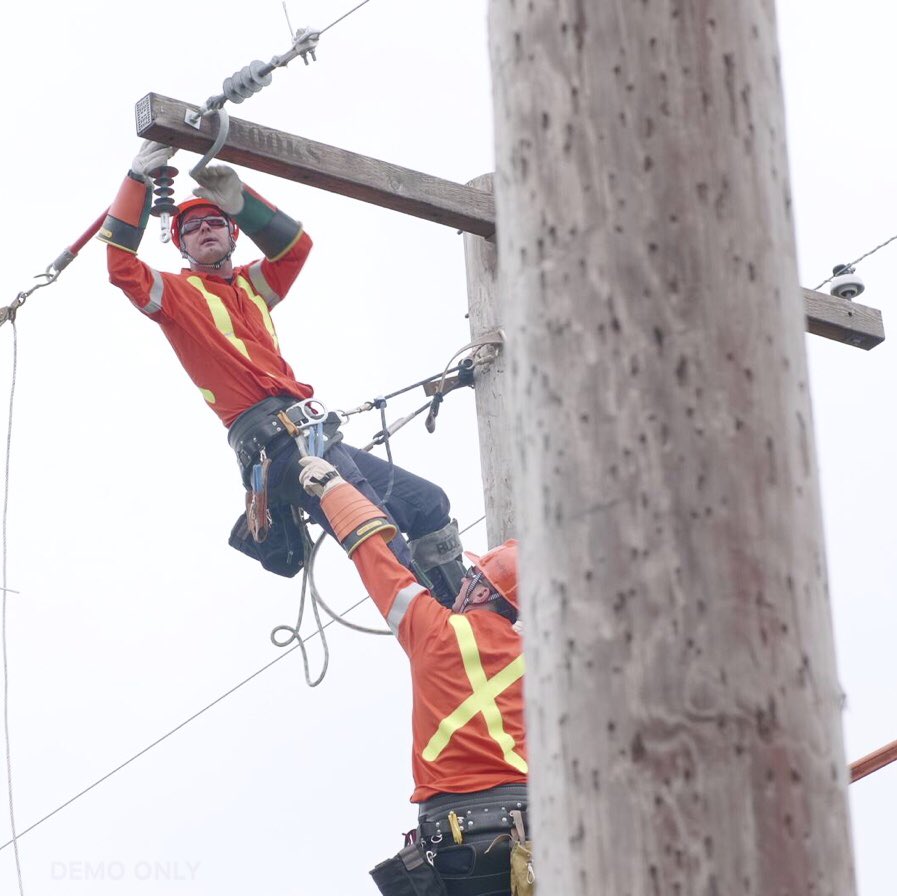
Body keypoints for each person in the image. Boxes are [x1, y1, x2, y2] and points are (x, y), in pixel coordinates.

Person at [97, 139, 466, 604]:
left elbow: (296, 248)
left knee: (425, 502)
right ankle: (436, 625)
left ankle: (465, 604)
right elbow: (120, 266)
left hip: (311, 432)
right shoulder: (175, 296)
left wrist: (242, 202)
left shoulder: (253, 286)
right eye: (192, 226)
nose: (205, 229)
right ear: (179, 242)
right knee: (373, 528)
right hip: (275, 446)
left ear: (233, 235)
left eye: (216, 222)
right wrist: (135, 183)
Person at [297, 454, 531, 896]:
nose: (460, 583)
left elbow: (376, 555)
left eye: (471, 578)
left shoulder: (435, 630)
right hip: (537, 840)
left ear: (483, 590)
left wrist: (332, 487)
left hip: (458, 850)